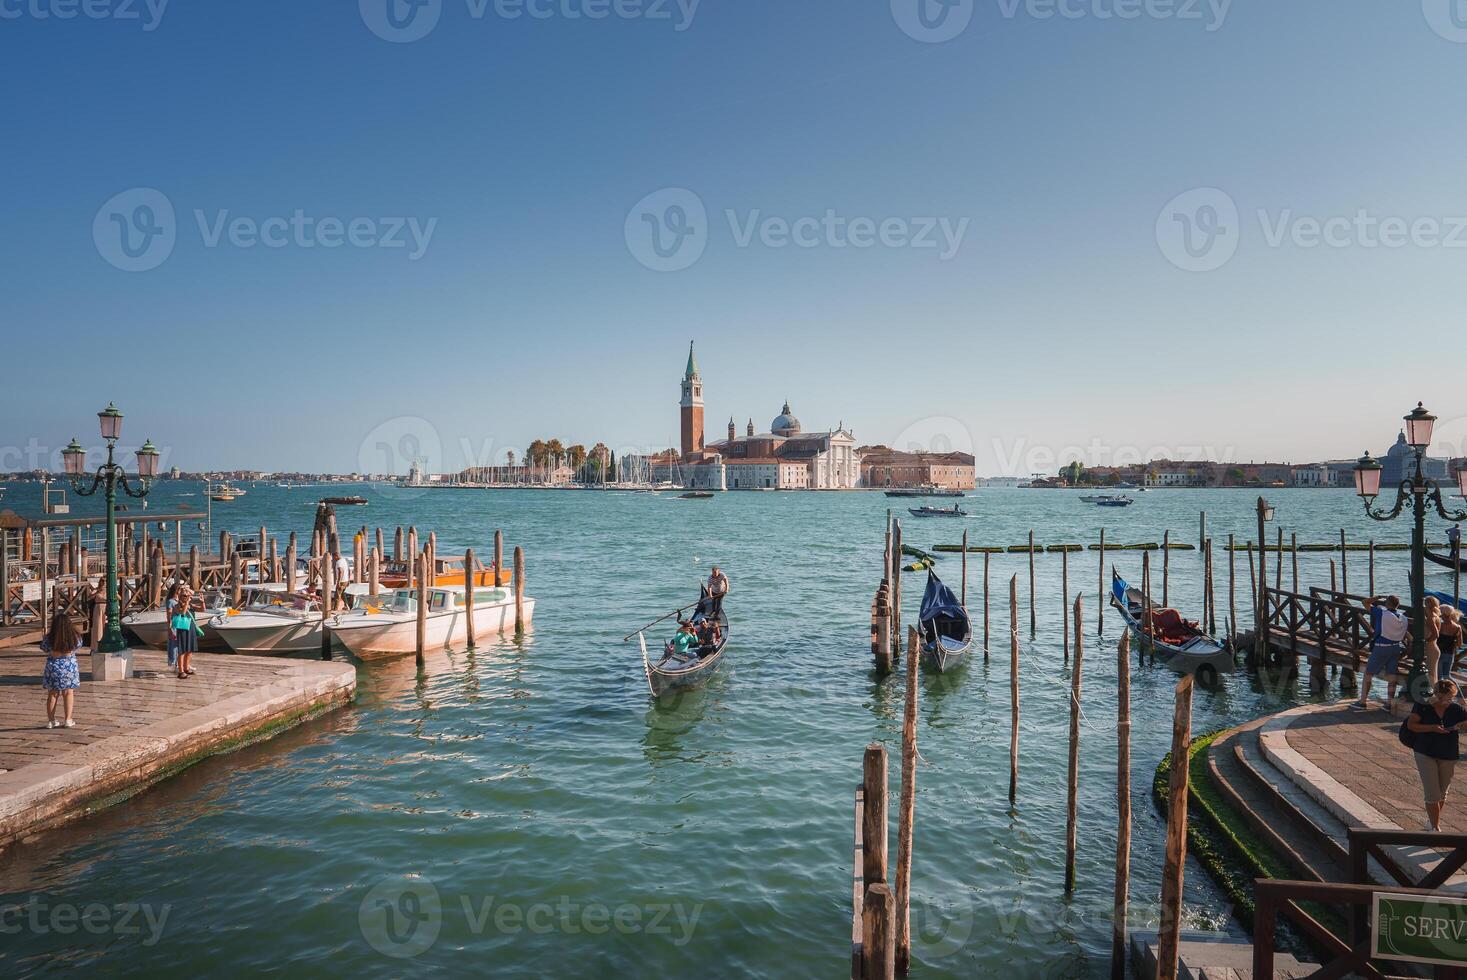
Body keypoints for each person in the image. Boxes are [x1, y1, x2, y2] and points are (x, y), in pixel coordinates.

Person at [1406, 679, 1467, 831]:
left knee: (1442, 793)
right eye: (1442, 698)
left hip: (1448, 753)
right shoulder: (1423, 706)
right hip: (1425, 751)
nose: (1446, 702)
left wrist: (1462, 725)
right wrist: (1432, 728)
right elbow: (1411, 725)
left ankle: (1431, 820)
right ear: (1435, 694)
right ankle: (1435, 828)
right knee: (1432, 793)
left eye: (1449, 699)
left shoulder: (1456, 709)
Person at [1353, 595, 1410, 711]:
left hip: (1381, 648)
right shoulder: (1403, 618)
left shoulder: (1383, 614)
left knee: (1368, 673)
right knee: (1392, 676)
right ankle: (1389, 703)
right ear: (1397, 605)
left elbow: (1364, 602)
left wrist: (1378, 597)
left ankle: (1362, 701)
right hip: (1395, 648)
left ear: (1387, 603)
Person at [41, 613, 83, 729]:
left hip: (53, 666)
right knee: (68, 693)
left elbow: (44, 648)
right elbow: (78, 646)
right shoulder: (75, 637)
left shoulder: (49, 638)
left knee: (52, 694)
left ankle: (51, 721)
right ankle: (68, 719)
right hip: (69, 666)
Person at [172, 587, 201, 679]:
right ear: (180, 597)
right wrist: (187, 602)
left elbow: (202, 609)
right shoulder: (176, 606)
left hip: (191, 629)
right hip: (182, 629)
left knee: (189, 650)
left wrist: (202, 602)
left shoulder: (190, 605)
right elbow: (183, 612)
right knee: (182, 651)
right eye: (185, 595)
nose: (187, 597)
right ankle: (180, 671)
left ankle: (186, 667)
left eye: (188, 595)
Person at [1441, 606, 1465, 683]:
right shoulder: (1458, 627)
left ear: (1444, 614)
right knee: (1447, 675)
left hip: (1440, 652)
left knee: (1439, 676)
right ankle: (1455, 689)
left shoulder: (1440, 625)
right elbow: (1459, 643)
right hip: (1450, 653)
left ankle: (1438, 693)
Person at [1425, 596, 1444, 681]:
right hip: (1433, 647)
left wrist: (1426, 641)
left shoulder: (1431, 617)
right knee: (1432, 674)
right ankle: (1434, 692)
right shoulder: (1436, 616)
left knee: (1431, 675)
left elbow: (1436, 634)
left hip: (1431, 648)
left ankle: (1433, 693)